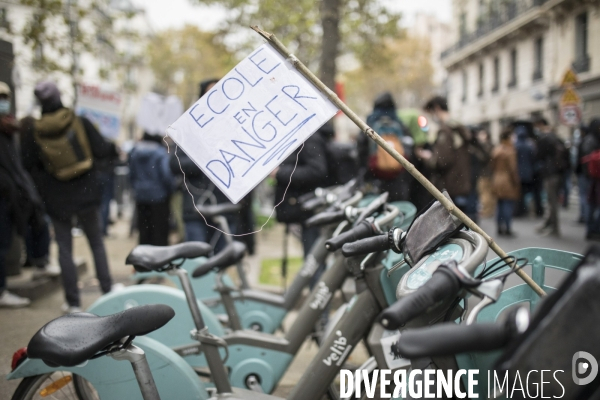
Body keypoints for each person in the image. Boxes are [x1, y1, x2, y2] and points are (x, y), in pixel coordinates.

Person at [21, 81, 117, 313]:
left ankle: (73, 302)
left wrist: (47, 191)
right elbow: (103, 149)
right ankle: (107, 289)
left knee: (65, 248)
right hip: (85, 192)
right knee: (96, 242)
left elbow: (29, 165)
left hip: (56, 198)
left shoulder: (34, 130)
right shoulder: (79, 121)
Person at [273, 123, 331, 285]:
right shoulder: (304, 134)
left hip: (310, 211)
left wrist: (280, 172)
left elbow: (318, 171)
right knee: (313, 261)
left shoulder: (309, 137)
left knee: (314, 263)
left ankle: (318, 308)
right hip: (305, 210)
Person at [416, 96, 472, 213]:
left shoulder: (445, 131)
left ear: (436, 109)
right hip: (460, 183)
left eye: (431, 113)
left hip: (449, 186)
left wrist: (428, 157)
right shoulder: (456, 126)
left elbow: (442, 161)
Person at [358, 92, 412, 202]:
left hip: (375, 179)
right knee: (399, 211)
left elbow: (361, 151)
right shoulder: (399, 123)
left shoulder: (369, 124)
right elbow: (409, 148)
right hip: (398, 179)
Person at [129, 132, 174, 246]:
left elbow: (131, 174)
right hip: (159, 196)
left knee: (144, 230)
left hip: (141, 195)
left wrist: (136, 188)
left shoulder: (134, 152)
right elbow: (166, 175)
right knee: (160, 231)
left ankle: (144, 259)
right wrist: (171, 189)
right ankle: (160, 259)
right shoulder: (160, 153)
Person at [534, 118, 566, 237]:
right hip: (558, 172)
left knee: (552, 202)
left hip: (550, 173)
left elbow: (538, 155)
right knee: (552, 201)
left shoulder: (545, 138)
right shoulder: (556, 138)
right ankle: (549, 224)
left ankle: (555, 228)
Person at [491, 128, 520, 236]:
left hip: (497, 179)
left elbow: (492, 166)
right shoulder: (510, 151)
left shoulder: (496, 150)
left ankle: (499, 227)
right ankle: (507, 228)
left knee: (500, 204)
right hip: (507, 180)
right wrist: (516, 182)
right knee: (508, 204)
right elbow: (513, 169)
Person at [582, 118, 600, 239]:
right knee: (591, 203)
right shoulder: (591, 141)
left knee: (591, 202)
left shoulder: (589, 139)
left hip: (593, 177)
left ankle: (591, 228)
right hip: (593, 177)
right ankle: (592, 229)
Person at [514, 125, 536, 217]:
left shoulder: (516, 146)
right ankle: (526, 209)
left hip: (518, 173)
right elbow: (533, 159)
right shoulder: (529, 146)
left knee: (519, 193)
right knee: (527, 193)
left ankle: (519, 210)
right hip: (528, 173)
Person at [475, 129, 495, 218]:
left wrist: (476, 151)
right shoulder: (491, 145)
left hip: (485, 173)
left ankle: (487, 211)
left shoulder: (485, 146)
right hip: (489, 173)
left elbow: (484, 158)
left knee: (485, 193)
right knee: (488, 193)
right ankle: (489, 210)